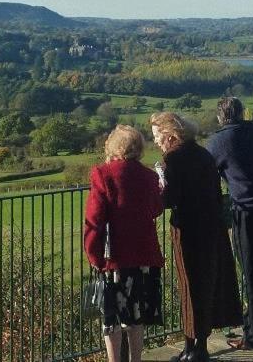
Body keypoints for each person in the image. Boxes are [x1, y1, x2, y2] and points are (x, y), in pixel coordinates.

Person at [150, 112, 242, 362]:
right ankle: (194, 345)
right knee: (207, 284)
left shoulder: (173, 158)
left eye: (158, 136)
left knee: (190, 286)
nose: (156, 142)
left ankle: (195, 348)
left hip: (189, 230)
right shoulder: (203, 154)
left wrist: (159, 183)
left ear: (170, 135)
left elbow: (170, 199)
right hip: (212, 227)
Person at [205, 97, 253, 352]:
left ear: (220, 117)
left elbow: (206, 168)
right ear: (241, 114)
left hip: (248, 212)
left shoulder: (218, 141)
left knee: (252, 274)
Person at [85, 125, 165, 362]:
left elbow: (94, 219)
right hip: (145, 255)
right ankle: (136, 359)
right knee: (135, 315)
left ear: (113, 147)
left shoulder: (103, 174)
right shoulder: (149, 176)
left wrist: (94, 256)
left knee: (111, 319)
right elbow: (156, 209)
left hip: (115, 259)